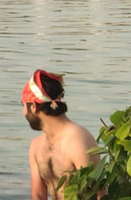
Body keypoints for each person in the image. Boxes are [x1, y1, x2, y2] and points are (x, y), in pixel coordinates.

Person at [22, 69, 98, 200]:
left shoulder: (78, 141)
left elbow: (99, 194)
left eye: (23, 105)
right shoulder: (36, 146)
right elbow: (38, 196)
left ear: (33, 106)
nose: (23, 112)